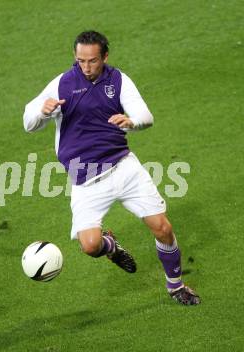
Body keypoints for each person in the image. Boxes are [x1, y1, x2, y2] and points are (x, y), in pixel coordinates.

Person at [23, 30, 200, 305]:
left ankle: (175, 286)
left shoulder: (118, 80)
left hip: (124, 168)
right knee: (90, 246)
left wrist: (132, 122)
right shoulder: (62, 84)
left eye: (92, 60)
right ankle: (110, 246)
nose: (86, 67)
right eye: (81, 60)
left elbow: (145, 116)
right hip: (86, 181)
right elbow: (28, 123)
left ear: (105, 56)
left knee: (163, 228)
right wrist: (41, 112)